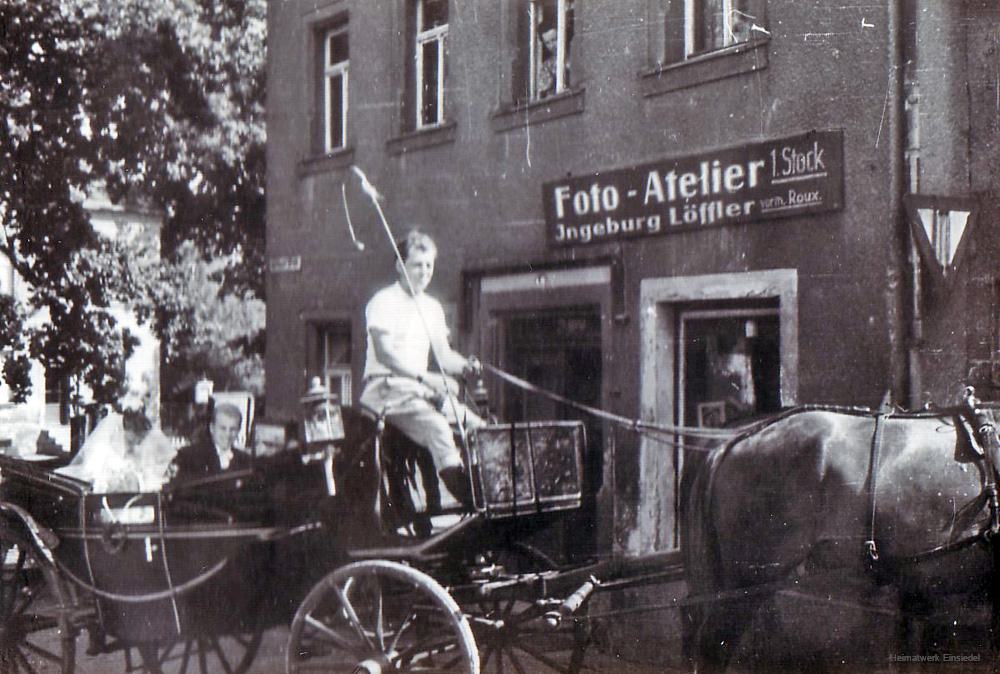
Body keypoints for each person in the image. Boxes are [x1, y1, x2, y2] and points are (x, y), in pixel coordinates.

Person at [359, 229, 483, 506]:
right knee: (438, 428)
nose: (424, 271)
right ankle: (470, 498)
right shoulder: (383, 301)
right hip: (386, 390)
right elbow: (385, 354)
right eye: (417, 265)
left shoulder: (432, 307)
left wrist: (466, 365)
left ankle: (486, 490)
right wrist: (425, 378)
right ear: (399, 265)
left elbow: (444, 355)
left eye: (429, 265)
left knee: (477, 426)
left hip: (418, 391)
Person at [171, 402, 251, 479]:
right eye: (223, 428)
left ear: (238, 430)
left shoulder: (245, 460)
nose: (228, 434)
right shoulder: (189, 456)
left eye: (233, 429)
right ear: (212, 428)